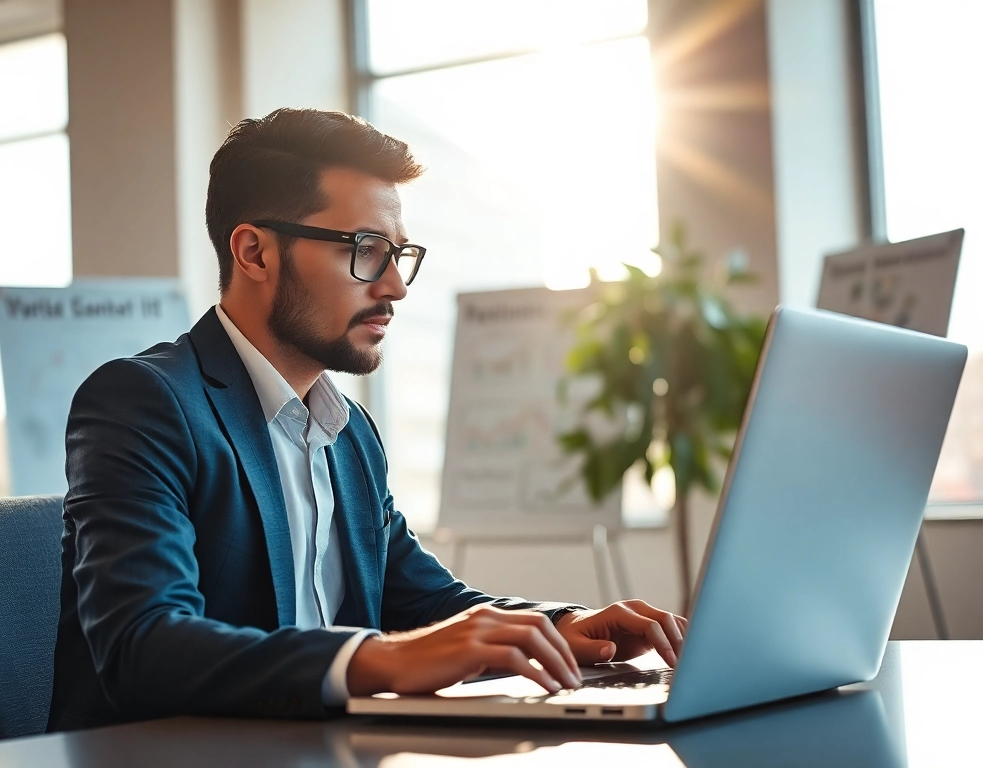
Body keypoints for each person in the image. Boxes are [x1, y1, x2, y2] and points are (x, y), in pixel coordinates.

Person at [47, 108, 687, 730]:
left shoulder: (348, 432)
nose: (395, 287)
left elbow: (426, 603)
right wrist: (380, 658)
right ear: (255, 252)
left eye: (399, 254)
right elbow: (144, 647)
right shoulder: (144, 402)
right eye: (365, 249)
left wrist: (564, 626)